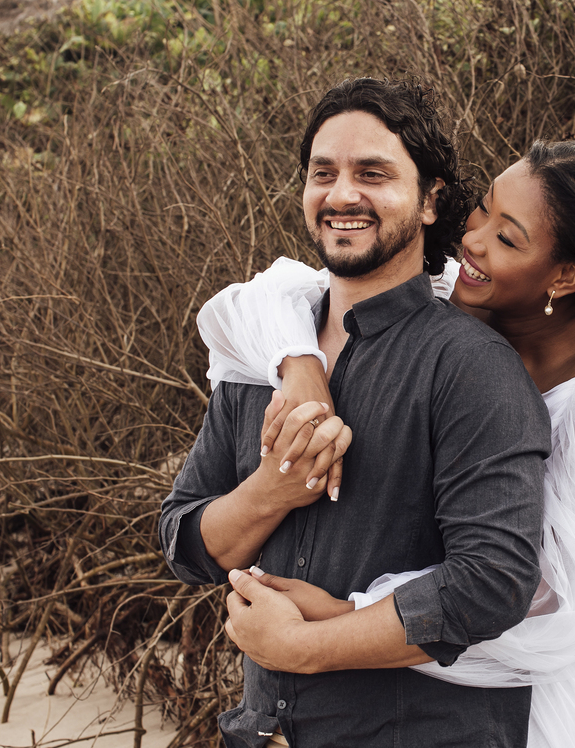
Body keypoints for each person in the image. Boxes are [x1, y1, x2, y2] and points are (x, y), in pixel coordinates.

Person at [199, 139, 575, 747]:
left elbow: (555, 593)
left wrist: (339, 616)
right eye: (483, 209)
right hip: (402, 672)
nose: (475, 241)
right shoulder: (454, 297)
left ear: (565, 275)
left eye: (508, 238)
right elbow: (260, 296)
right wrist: (300, 365)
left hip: (526, 684)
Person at [159, 77, 552, 748]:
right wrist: (273, 490)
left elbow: (493, 582)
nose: (341, 196)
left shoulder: (470, 365)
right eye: (324, 174)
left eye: (373, 174)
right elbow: (185, 542)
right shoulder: (264, 354)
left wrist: (302, 648)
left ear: (430, 200)